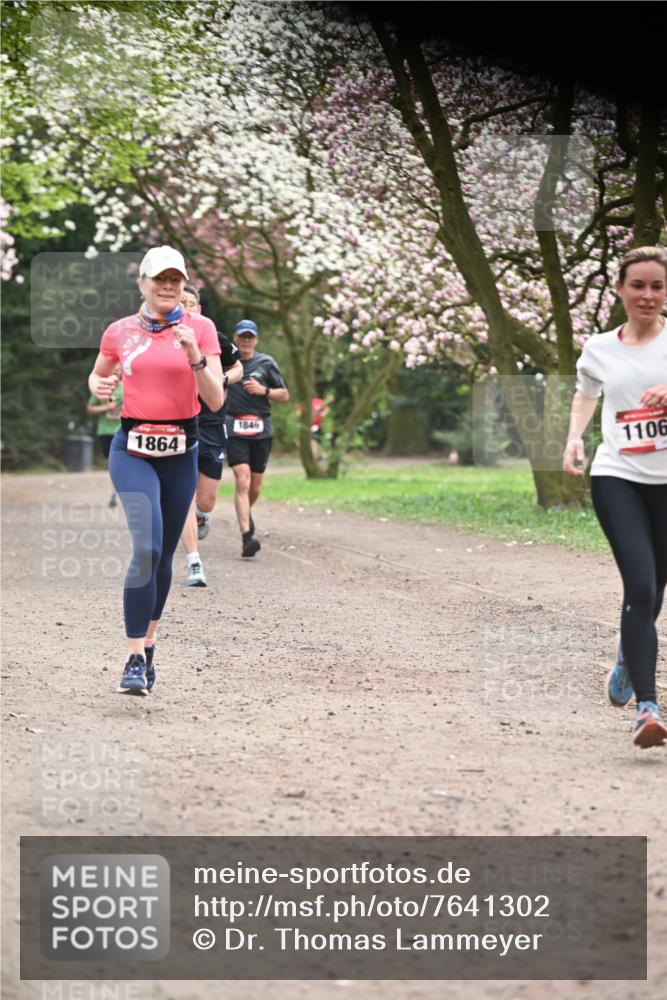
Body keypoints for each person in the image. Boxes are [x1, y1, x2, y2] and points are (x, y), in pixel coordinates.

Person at [87, 246, 224, 694]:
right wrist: (101, 383)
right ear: (142, 283)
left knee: (163, 556)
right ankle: (130, 660)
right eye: (159, 279)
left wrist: (195, 358)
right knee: (145, 547)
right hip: (133, 447)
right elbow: (98, 372)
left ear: (183, 285)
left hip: (182, 448)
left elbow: (216, 400)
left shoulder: (200, 329)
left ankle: (148, 648)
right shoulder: (120, 331)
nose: (168, 287)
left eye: (175, 280)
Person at [563, 246, 667, 749]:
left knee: (655, 590)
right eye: (638, 285)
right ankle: (647, 708)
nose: (647, 295)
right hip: (617, 474)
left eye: (657, 286)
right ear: (620, 290)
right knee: (641, 586)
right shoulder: (600, 347)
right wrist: (574, 436)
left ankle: (629, 652)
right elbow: (586, 391)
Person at [178, 284, 243, 587]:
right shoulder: (166, 338)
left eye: (191, 303)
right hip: (181, 422)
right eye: (181, 302)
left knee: (207, 498)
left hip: (213, 423)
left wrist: (222, 379)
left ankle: (202, 515)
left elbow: (238, 366)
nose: (186, 307)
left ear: (199, 309)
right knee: (184, 496)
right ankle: (194, 561)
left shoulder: (213, 336)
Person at [225, 319, 289, 557]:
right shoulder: (227, 364)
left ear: (256, 340)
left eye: (250, 337)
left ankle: (244, 513)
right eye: (242, 337)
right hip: (234, 427)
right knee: (242, 480)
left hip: (261, 430)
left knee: (255, 486)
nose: (246, 341)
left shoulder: (266, 363)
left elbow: (285, 395)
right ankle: (246, 537)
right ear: (236, 338)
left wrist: (264, 391)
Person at [87, 363, 122, 507]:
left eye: (118, 369)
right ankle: (114, 490)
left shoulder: (127, 388)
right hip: (104, 430)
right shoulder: (101, 387)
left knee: (121, 462)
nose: (115, 372)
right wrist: (106, 407)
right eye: (113, 369)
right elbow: (90, 408)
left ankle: (117, 492)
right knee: (110, 464)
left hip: (122, 430)